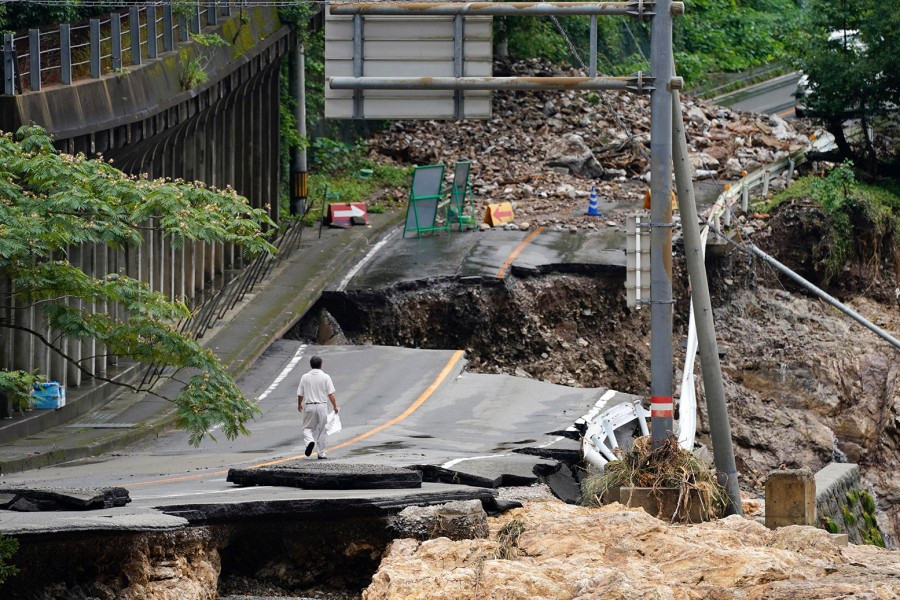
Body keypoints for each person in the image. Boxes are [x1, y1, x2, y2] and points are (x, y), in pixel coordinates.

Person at [297, 355, 339, 459]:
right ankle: (321, 453)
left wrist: (299, 404)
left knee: (307, 428)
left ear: (311, 365)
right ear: (321, 365)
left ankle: (310, 441)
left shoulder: (305, 377)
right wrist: (335, 406)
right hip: (322, 406)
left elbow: (300, 393)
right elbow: (331, 394)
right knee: (322, 429)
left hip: (309, 406)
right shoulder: (325, 376)